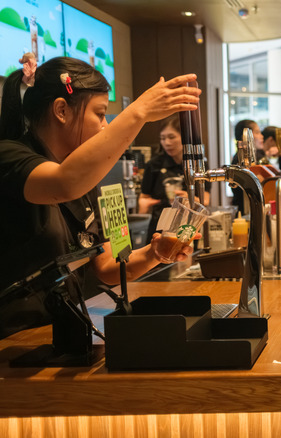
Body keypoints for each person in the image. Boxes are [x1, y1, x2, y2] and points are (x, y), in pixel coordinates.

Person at [0, 56, 200, 336]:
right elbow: (64, 183)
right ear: (61, 110)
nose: (105, 125)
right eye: (100, 113)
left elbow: (108, 266)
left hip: (63, 335)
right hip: (12, 344)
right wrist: (137, 112)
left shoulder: (85, 181)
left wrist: (156, 253)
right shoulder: (9, 156)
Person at [139, 116, 211, 244]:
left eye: (171, 137)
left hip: (188, 228)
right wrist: (145, 205)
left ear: (185, 139)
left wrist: (188, 198)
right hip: (160, 228)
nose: (166, 143)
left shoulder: (197, 165)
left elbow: (205, 199)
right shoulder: (154, 165)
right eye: (162, 138)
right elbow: (144, 198)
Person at [230, 119, 264, 214]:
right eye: (257, 132)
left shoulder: (256, 158)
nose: (262, 136)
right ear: (246, 138)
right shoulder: (240, 160)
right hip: (244, 213)